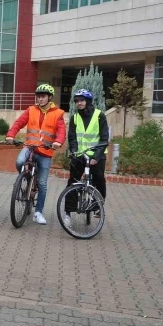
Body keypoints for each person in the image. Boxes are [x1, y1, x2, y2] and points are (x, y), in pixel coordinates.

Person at [5, 84, 65, 225]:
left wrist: (58, 142)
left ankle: (38, 212)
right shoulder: (31, 109)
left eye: (43, 96)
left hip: (45, 151)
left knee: (43, 184)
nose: (40, 98)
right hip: (30, 147)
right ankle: (25, 177)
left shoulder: (58, 113)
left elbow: (61, 131)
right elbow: (19, 123)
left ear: (49, 97)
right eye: (38, 96)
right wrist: (10, 135)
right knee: (19, 162)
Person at [64, 89, 109, 225]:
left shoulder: (99, 115)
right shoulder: (75, 117)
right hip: (79, 155)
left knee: (99, 179)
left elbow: (104, 138)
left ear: (88, 101)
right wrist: (74, 151)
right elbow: (72, 137)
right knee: (73, 181)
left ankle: (98, 207)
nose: (79, 103)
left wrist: (97, 156)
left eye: (82, 100)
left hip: (97, 155)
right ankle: (68, 213)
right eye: (77, 101)